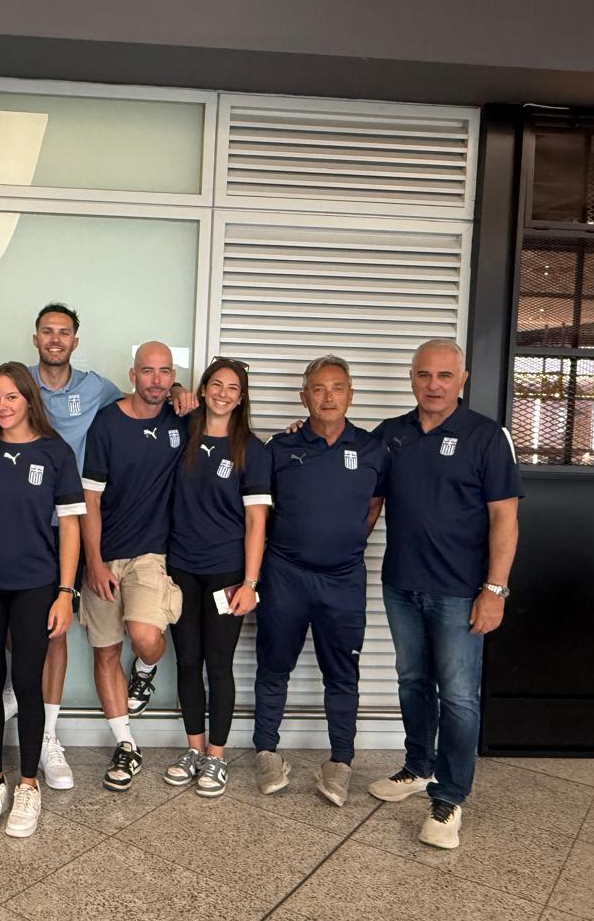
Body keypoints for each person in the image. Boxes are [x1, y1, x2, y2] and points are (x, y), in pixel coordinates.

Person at [367, 338, 521, 849]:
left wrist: (494, 590)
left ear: (462, 379)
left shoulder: (486, 436)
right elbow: (355, 481)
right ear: (412, 378)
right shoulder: (391, 434)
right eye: (424, 375)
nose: (433, 385)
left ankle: (450, 797)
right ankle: (418, 766)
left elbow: (505, 518)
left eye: (444, 376)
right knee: (413, 681)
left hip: (460, 591)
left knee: (457, 696)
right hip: (401, 584)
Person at [253, 355, 385, 807]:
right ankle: (267, 752)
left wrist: (343, 543)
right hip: (285, 576)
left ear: (350, 394)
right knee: (273, 667)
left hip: (343, 581)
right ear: (304, 396)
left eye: (337, 388)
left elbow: (373, 506)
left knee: (342, 673)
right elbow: (261, 512)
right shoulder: (279, 447)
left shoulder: (372, 449)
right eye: (318, 388)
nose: (328, 397)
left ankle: (340, 762)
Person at [0, 362, 84, 837]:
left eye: (11, 396)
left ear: (29, 399)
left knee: (27, 682)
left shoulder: (56, 452)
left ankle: (28, 785)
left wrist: (65, 593)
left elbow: (70, 527)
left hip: (36, 584)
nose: (2, 406)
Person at [163, 358, 270, 798]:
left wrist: (251, 583)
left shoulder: (253, 450)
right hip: (181, 567)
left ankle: (216, 756)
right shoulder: (182, 433)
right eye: (216, 385)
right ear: (204, 389)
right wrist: (176, 390)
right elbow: (162, 396)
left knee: (218, 664)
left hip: (227, 572)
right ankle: (193, 749)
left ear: (241, 399)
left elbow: (257, 522)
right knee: (187, 661)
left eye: (233, 388)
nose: (223, 394)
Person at [80, 341, 185, 791]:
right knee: (105, 651)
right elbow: (90, 500)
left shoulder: (181, 419)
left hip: (149, 553)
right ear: (132, 374)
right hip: (105, 554)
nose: (156, 380)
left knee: (144, 637)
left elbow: (228, 418)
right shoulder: (107, 423)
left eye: (165, 372)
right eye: (147, 371)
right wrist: (93, 563)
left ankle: (145, 670)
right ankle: (126, 744)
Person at [27, 304, 123, 790]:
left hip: (69, 527)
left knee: (56, 630)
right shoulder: (17, 382)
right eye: (48, 331)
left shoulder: (96, 388)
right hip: (20, 525)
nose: (55, 339)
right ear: (36, 338)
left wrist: (177, 393)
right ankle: (19, 692)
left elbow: (142, 404)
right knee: (15, 626)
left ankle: (48, 736)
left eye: (64, 332)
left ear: (75, 341)